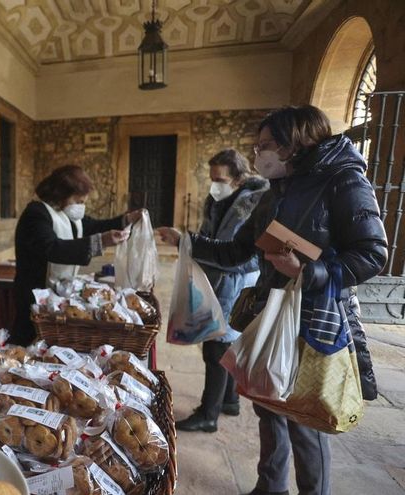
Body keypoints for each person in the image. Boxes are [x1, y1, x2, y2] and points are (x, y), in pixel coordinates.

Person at [158, 105, 387, 495]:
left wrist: (307, 270)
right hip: (270, 310)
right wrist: (187, 242)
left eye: (265, 145)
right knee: (267, 403)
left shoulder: (342, 180)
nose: (258, 153)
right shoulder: (276, 190)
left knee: (302, 418)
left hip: (312, 319)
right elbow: (238, 251)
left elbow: (372, 253)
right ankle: (270, 486)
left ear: (294, 143)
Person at [174, 149, 268, 433]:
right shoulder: (218, 201)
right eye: (212, 178)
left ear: (238, 179)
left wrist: (193, 246)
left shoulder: (252, 205)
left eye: (221, 179)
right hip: (219, 282)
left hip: (234, 285)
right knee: (226, 346)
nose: (215, 184)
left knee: (216, 350)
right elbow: (211, 240)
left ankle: (208, 415)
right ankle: (229, 400)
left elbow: (249, 256)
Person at [10, 165, 142, 345]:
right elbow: (52, 248)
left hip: (59, 294)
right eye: (78, 201)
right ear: (61, 195)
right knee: (29, 341)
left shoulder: (67, 215)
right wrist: (100, 242)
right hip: (34, 294)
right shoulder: (36, 214)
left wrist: (126, 220)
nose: (81, 206)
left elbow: (93, 226)